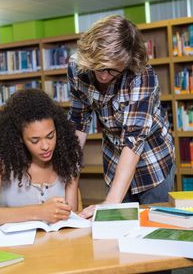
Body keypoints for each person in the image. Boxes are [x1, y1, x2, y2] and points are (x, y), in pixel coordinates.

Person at [68, 15, 175, 218]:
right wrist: (71, 181)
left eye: (112, 70)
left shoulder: (142, 75)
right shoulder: (77, 66)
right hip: (114, 157)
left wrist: (110, 203)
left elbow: (134, 140)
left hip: (154, 161)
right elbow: (78, 121)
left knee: (155, 224)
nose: (103, 76)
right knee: (116, 228)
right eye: (98, 66)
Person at [0, 88, 82, 227]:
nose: (45, 146)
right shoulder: (2, 161)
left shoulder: (68, 158)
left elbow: (70, 218)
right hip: (13, 246)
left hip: (56, 245)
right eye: (35, 140)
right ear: (20, 138)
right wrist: (39, 212)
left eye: (50, 136)